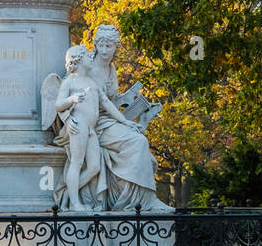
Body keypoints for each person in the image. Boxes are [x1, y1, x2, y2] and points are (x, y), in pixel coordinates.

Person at [79, 24, 172, 213]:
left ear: (116, 48)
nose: (104, 51)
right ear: (95, 45)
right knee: (137, 142)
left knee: (139, 137)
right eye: (101, 45)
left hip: (110, 120)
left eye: (109, 46)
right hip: (94, 124)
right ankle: (141, 202)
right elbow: (71, 90)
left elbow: (110, 101)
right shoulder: (86, 66)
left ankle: (141, 200)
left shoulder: (111, 68)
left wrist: (129, 107)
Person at [49, 45, 131, 210]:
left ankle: (69, 192)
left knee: (94, 167)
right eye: (86, 56)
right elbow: (58, 105)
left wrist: (124, 121)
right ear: (78, 61)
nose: (90, 58)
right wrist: (72, 99)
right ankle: (75, 202)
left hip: (91, 129)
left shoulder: (91, 82)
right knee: (77, 163)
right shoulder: (69, 82)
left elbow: (106, 103)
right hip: (79, 127)